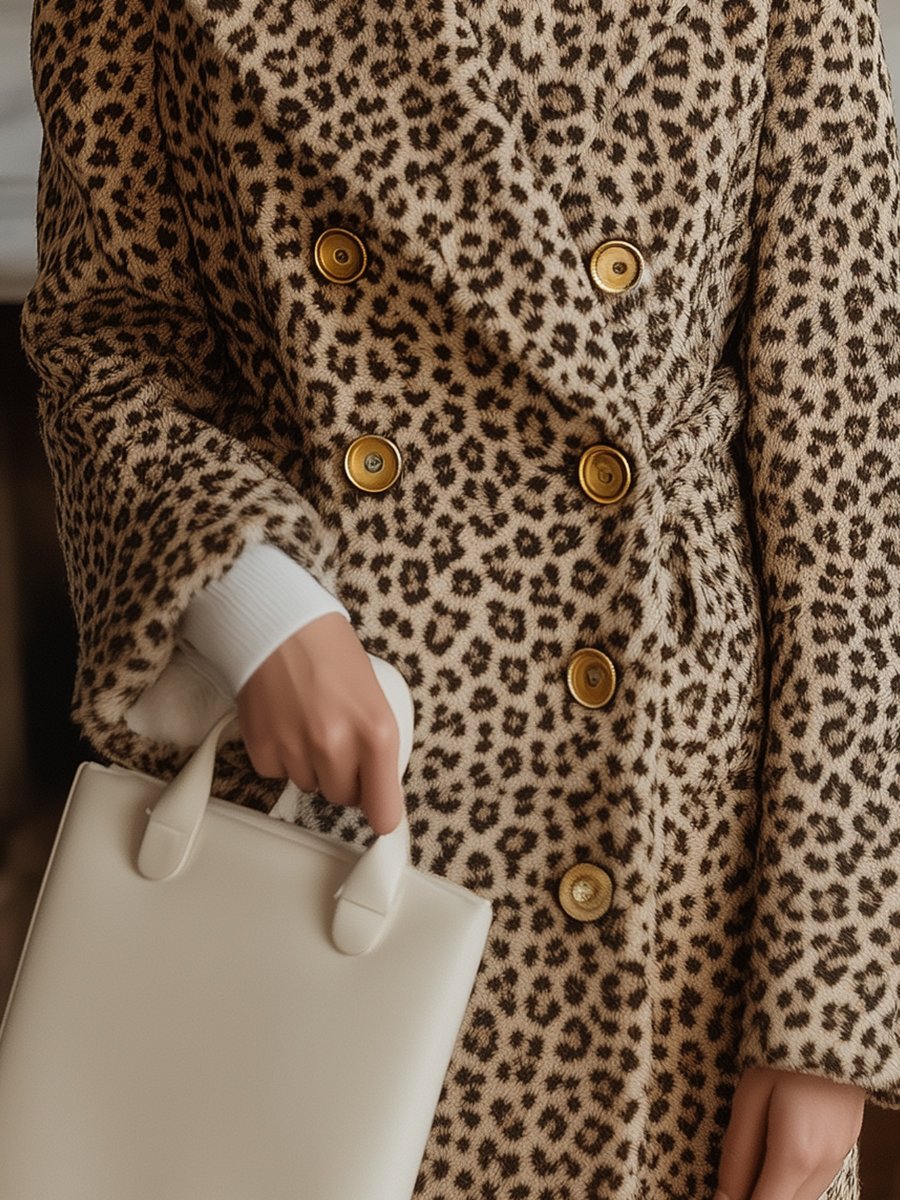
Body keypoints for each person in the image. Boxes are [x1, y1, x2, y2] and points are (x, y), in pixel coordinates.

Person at [20, 0, 900, 1196]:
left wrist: (825, 1005)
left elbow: (852, 473)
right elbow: (106, 339)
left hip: (681, 864)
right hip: (317, 800)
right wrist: (248, 599)